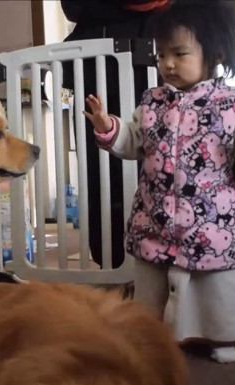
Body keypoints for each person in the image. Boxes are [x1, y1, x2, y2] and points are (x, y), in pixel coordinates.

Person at [82, 0, 235, 363]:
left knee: (216, 288)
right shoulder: (151, 103)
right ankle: (154, 336)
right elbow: (132, 141)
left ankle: (221, 336)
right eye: (160, 55)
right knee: (153, 285)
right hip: (157, 218)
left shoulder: (233, 105)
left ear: (215, 53)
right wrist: (108, 129)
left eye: (179, 53)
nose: (167, 63)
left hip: (213, 225)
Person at [60, 0, 170, 269]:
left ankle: (143, 257)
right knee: (97, 170)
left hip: (144, 56)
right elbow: (72, 7)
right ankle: (109, 260)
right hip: (91, 65)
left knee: (152, 164)